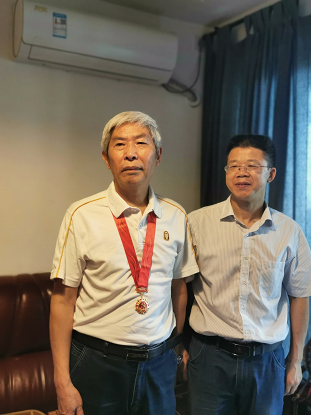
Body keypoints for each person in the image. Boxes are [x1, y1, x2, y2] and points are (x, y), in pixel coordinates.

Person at [50, 111, 199, 415]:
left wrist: (175, 345)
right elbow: (63, 301)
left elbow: (179, 287)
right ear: (107, 158)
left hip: (159, 364)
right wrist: (62, 381)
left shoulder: (176, 215)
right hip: (97, 362)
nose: (131, 153)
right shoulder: (81, 215)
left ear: (158, 156)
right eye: (120, 145)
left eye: (141, 143)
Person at [184, 134, 311, 415]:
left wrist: (295, 360)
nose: (242, 172)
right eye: (234, 166)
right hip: (209, 356)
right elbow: (179, 288)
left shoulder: (288, 230)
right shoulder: (197, 223)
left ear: (271, 174)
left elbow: (300, 296)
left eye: (252, 166)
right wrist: (180, 348)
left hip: (266, 361)